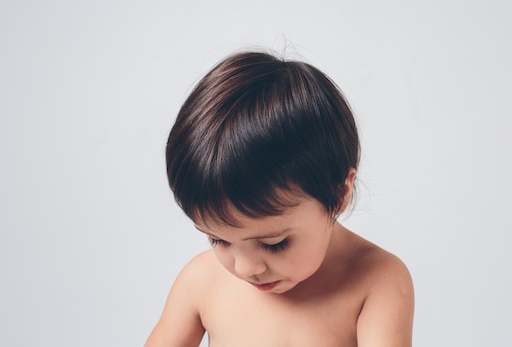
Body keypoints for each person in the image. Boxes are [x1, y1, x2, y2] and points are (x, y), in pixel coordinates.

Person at [144, 50, 414, 347]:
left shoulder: (376, 281)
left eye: (274, 244)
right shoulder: (201, 281)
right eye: (218, 240)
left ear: (339, 196)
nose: (245, 268)